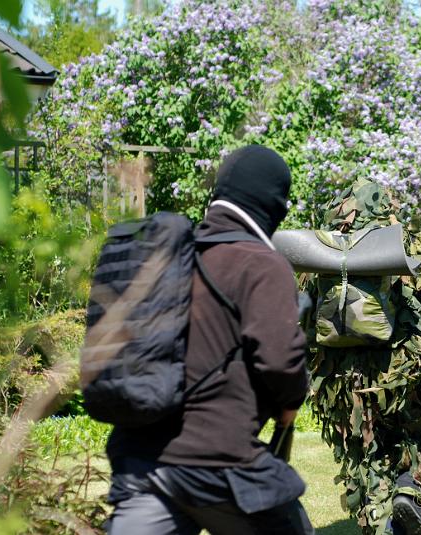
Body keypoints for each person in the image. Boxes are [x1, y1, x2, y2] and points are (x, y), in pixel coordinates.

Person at [105, 145, 314, 535]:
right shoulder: (260, 263)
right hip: (220, 463)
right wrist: (290, 401)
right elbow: (281, 360)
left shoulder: (168, 256)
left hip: (141, 460)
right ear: (272, 203)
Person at [304, 179, 421, 535]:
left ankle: (382, 524)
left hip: (343, 383)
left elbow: (304, 319)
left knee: (365, 454)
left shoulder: (321, 251)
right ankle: (408, 495)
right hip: (400, 372)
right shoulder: (405, 243)